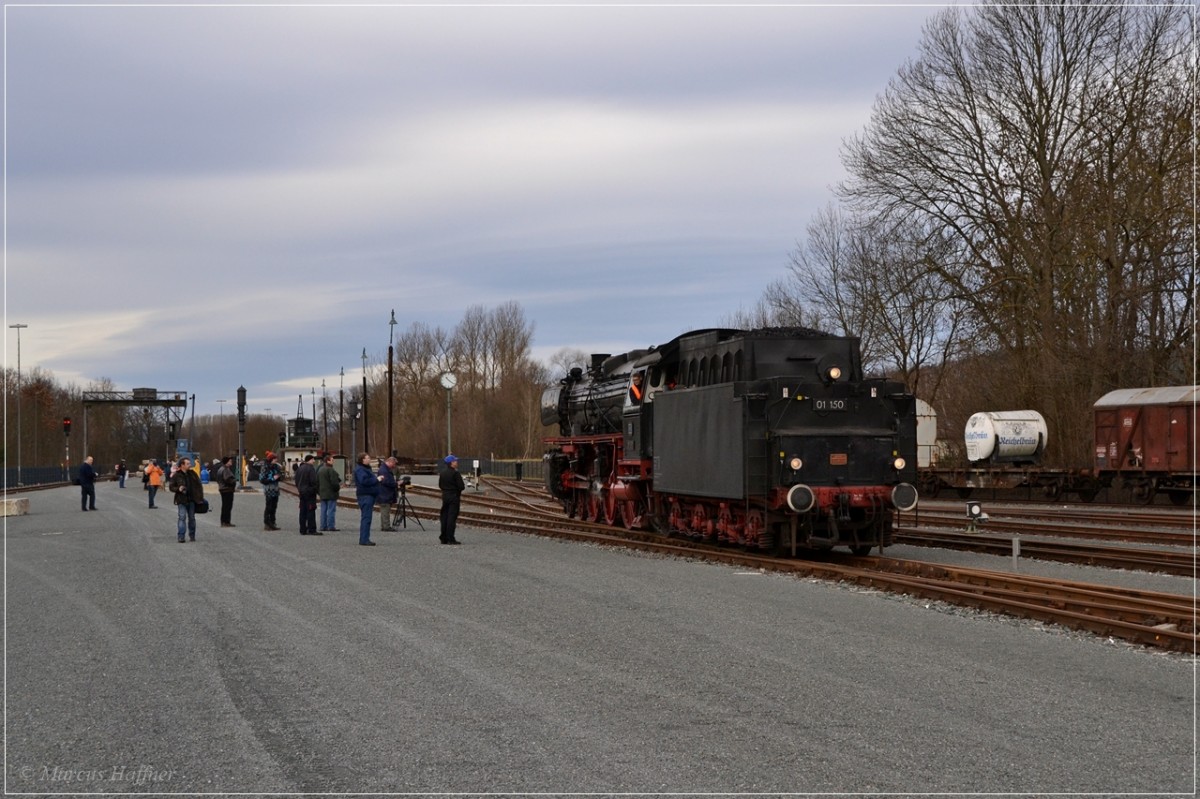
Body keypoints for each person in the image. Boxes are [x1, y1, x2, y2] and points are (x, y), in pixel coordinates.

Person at [169, 456, 204, 543]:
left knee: (192, 518)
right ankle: (181, 536)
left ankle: (192, 535)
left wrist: (200, 497)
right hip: (181, 500)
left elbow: (199, 485)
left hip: (192, 499)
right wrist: (178, 489)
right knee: (182, 517)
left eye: (189, 463)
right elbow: (171, 487)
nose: (190, 465)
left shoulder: (192, 474)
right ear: (182, 465)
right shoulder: (176, 475)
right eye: (187, 463)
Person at [353, 452, 381, 546]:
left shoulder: (365, 469)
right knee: (366, 518)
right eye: (367, 458)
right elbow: (364, 481)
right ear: (362, 460)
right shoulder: (361, 470)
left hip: (368, 494)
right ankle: (364, 539)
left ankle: (365, 538)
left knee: (367, 517)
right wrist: (377, 479)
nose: (369, 459)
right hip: (366, 495)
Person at [438, 454, 465, 545]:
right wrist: (457, 491)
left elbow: (440, 485)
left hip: (445, 496)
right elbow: (461, 486)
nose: (456, 462)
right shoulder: (455, 473)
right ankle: (450, 538)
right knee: (451, 517)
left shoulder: (442, 473)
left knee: (444, 516)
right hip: (454, 496)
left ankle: (443, 537)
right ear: (451, 463)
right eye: (455, 461)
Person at [294, 454, 320, 535]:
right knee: (311, 511)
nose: (314, 461)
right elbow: (313, 481)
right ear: (310, 460)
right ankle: (312, 529)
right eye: (313, 460)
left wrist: (299, 489)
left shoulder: (300, 468)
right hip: (309, 493)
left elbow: (296, 480)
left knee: (302, 511)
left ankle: (302, 529)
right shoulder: (311, 469)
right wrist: (315, 489)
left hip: (302, 492)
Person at [259, 452, 283, 531]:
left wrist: (279, 476)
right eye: (275, 458)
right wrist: (272, 478)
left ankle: (273, 522)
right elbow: (262, 479)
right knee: (269, 507)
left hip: (275, 489)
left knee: (274, 507)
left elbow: (280, 476)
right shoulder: (265, 467)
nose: (276, 460)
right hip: (269, 489)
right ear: (271, 459)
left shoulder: (276, 466)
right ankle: (267, 523)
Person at [317, 454, 341, 532]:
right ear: (328, 461)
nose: (333, 461)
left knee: (323, 510)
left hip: (322, 493)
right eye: (332, 460)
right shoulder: (331, 470)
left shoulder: (320, 470)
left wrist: (319, 491)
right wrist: (337, 489)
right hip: (331, 493)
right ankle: (331, 526)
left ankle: (323, 526)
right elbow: (334, 483)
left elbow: (317, 482)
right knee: (331, 510)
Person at [377, 456, 399, 532]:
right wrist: (396, 483)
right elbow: (386, 482)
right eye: (394, 464)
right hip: (385, 493)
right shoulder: (384, 470)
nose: (394, 466)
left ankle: (384, 525)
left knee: (384, 510)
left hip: (384, 493)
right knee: (385, 510)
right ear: (390, 462)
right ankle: (386, 526)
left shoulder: (384, 469)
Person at [216, 455, 238, 527]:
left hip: (222, 489)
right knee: (227, 506)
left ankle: (223, 521)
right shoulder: (225, 470)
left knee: (225, 506)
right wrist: (234, 481)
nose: (231, 462)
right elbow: (227, 479)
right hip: (227, 489)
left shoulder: (220, 469)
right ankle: (226, 521)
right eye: (230, 461)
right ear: (226, 462)